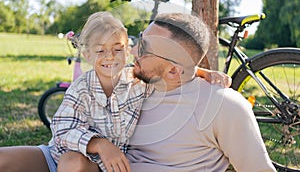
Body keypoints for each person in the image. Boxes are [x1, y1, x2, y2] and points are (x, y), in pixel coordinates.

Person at [0, 11, 230, 172]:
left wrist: (203, 73)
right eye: (100, 51)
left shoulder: (138, 82)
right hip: (55, 155)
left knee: (73, 163)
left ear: (128, 51)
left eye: (117, 49)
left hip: (93, 166)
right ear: (87, 55)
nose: (110, 57)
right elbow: (61, 128)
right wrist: (100, 143)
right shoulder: (81, 88)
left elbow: (169, 66)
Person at [126, 12, 276, 172]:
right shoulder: (134, 84)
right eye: (140, 39)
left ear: (173, 71)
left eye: (144, 48)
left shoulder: (223, 106)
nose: (133, 51)